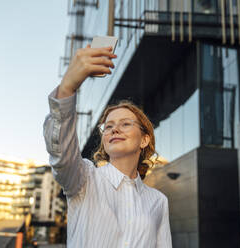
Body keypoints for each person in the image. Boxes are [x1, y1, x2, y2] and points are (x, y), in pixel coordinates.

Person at [43, 44, 172, 248]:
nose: (114, 129)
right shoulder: (84, 180)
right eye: (108, 126)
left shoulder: (158, 201)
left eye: (125, 124)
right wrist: (67, 88)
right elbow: (61, 153)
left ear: (144, 140)